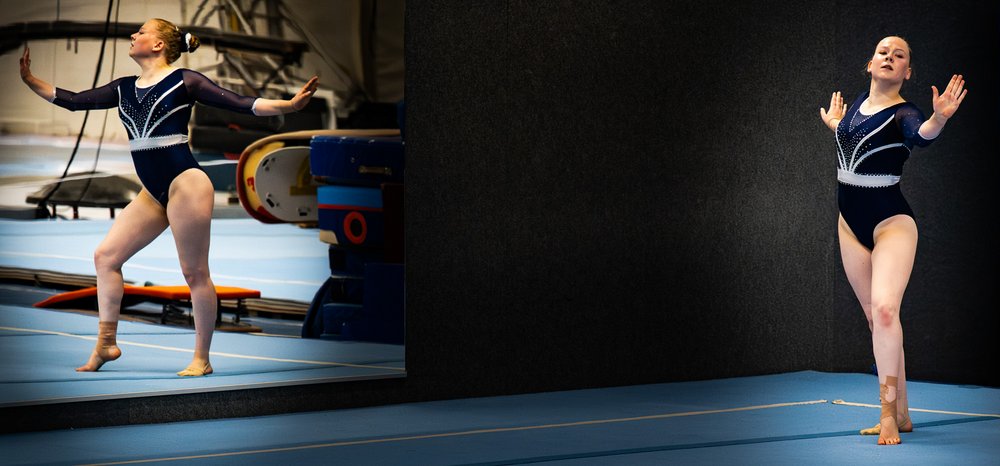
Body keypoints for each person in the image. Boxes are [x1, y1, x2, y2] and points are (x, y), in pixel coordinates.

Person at [19, 18, 319, 377]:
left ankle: (201, 358)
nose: (133, 36)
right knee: (106, 257)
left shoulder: (185, 81)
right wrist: (31, 81)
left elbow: (242, 103)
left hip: (185, 185)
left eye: (141, 32)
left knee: (194, 272)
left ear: (159, 45)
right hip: (152, 191)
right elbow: (73, 101)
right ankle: (106, 343)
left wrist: (290, 105)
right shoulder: (123, 88)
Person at [819, 36, 966, 445]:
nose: (889, 57)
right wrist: (834, 125)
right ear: (870, 64)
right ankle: (902, 415)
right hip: (850, 225)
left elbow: (921, 134)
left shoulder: (906, 113)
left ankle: (886, 414)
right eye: (883, 52)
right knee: (875, 319)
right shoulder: (853, 110)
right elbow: (853, 136)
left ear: (907, 72)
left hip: (891, 224)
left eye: (898, 55)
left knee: (885, 311)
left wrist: (940, 119)